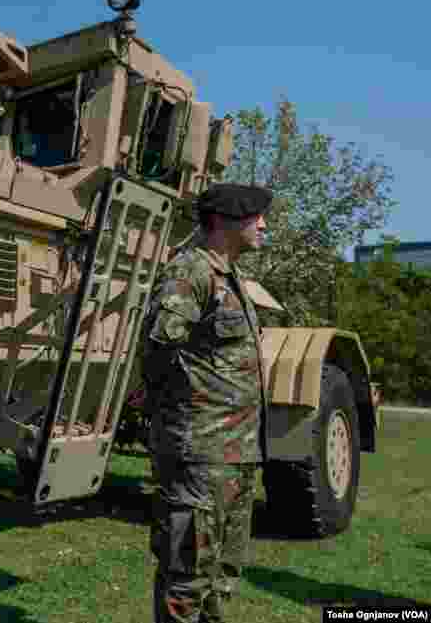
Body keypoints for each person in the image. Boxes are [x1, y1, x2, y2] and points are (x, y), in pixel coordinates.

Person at [141, 182, 273, 622]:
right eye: (255, 216)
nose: (263, 224)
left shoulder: (228, 277)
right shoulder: (191, 272)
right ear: (223, 220)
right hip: (201, 453)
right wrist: (178, 420)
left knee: (220, 577)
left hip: (237, 454)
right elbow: (160, 346)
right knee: (187, 579)